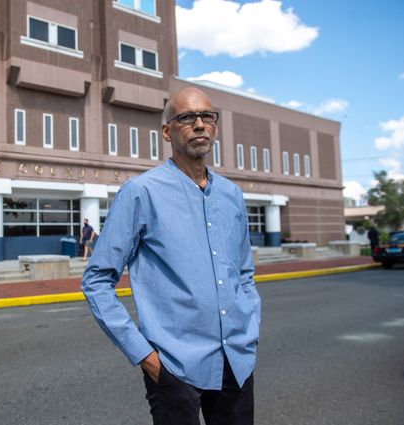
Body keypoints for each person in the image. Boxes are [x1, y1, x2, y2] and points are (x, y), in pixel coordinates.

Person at [82, 87, 261, 425]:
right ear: (167, 131)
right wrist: (145, 356)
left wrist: (250, 326)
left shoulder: (232, 196)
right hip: (173, 367)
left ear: (215, 127)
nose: (199, 125)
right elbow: (96, 280)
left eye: (207, 117)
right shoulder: (140, 193)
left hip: (236, 360)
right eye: (186, 117)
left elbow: (244, 273)